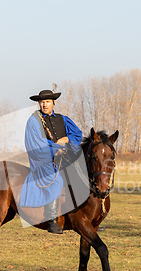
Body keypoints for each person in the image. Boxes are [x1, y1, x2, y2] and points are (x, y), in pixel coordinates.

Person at [19, 90, 83, 234]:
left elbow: (77, 134)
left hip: (66, 158)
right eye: (42, 102)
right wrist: (55, 149)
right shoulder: (34, 121)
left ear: (53, 103)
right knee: (56, 180)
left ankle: (86, 218)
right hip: (44, 160)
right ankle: (52, 220)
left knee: (83, 175)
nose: (44, 104)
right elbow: (35, 143)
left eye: (47, 101)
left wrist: (66, 140)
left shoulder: (63, 119)